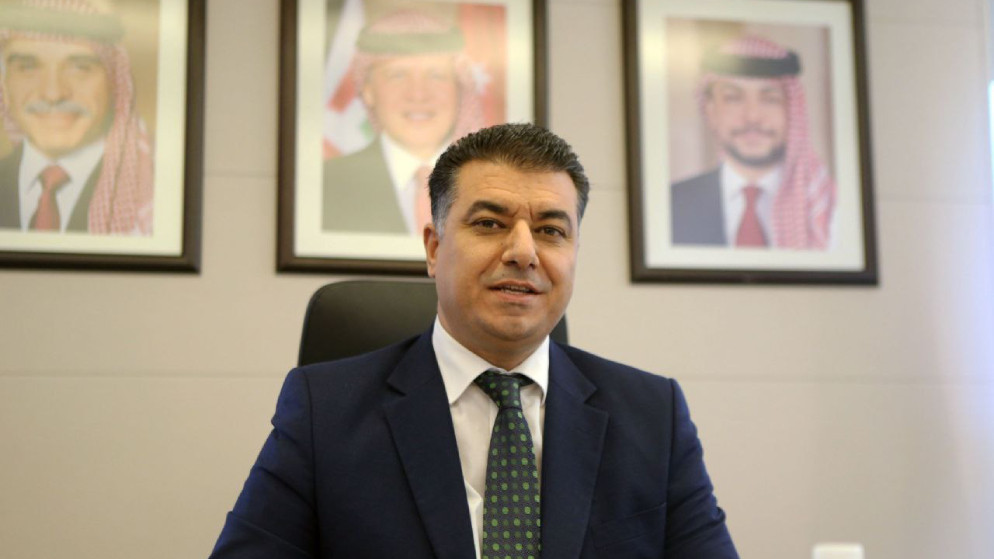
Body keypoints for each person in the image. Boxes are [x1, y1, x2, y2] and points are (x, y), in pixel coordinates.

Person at [211, 123, 738, 558]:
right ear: (434, 248)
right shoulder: (324, 411)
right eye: (489, 223)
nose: (524, 252)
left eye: (551, 231)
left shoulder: (653, 415)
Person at [322, 9, 482, 235]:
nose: (418, 94)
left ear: (460, 87)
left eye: (436, 75)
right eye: (397, 75)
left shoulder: (492, 187)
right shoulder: (326, 186)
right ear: (368, 90)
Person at [0, 0, 154, 235]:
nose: (53, 94)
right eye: (28, 67)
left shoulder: (155, 195)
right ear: (4, 84)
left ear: (113, 82)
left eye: (80, 68)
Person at [671, 35, 835, 250]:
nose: (752, 117)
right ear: (710, 110)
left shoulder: (828, 208)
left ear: (792, 110)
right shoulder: (670, 205)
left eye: (770, 99)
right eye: (733, 98)